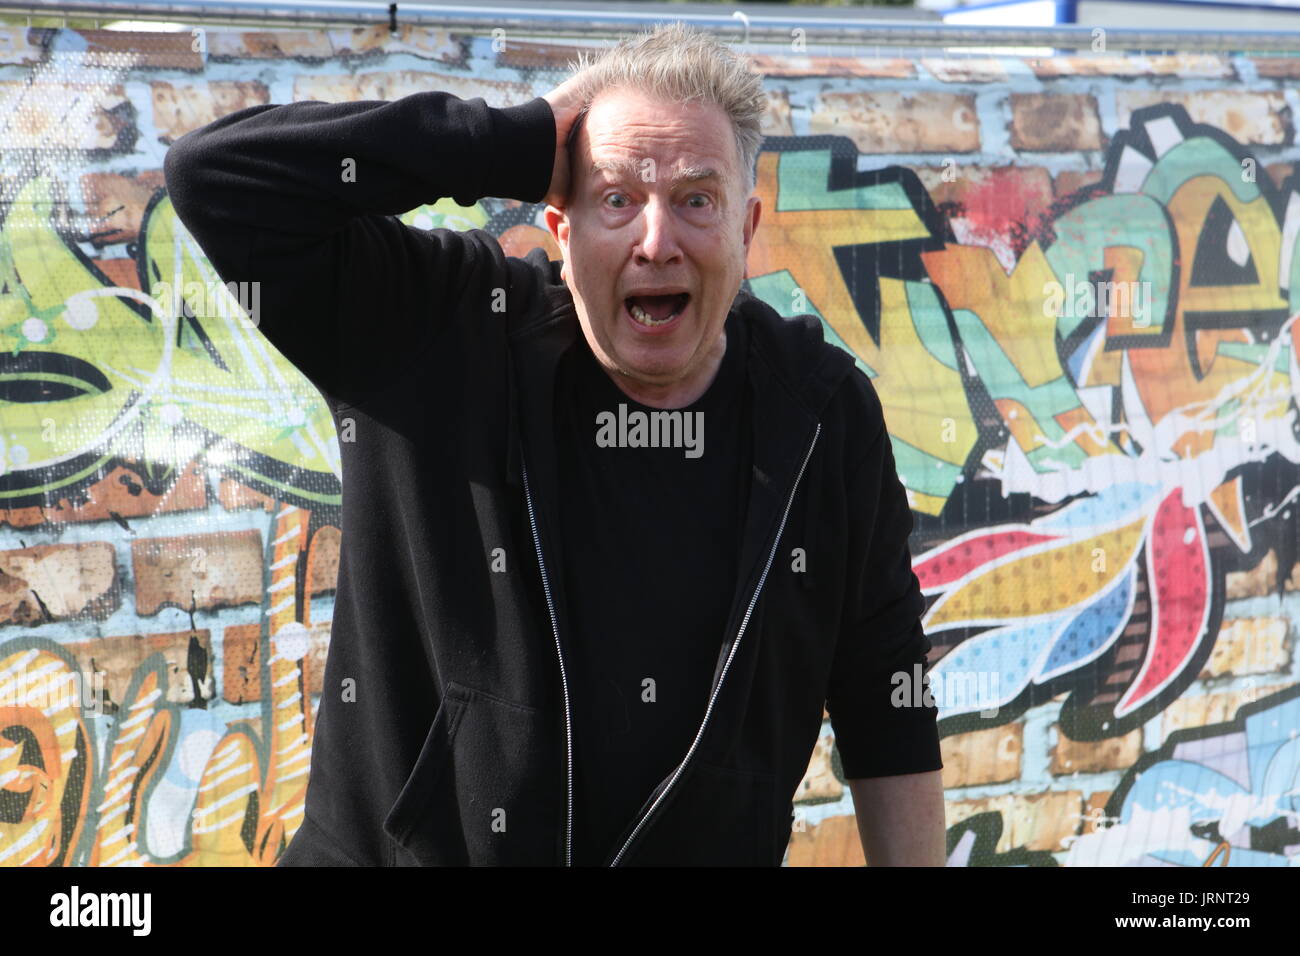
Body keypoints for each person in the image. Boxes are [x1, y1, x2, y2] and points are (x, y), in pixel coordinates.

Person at [163, 20, 945, 867]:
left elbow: (885, 700)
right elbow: (219, 177)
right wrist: (511, 139)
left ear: (745, 230)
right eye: (616, 198)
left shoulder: (823, 413)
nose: (656, 239)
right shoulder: (438, 331)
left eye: (695, 198)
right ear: (561, 232)